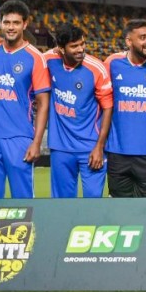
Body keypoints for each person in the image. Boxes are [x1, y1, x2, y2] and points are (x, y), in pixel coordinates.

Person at [0, 0, 51, 199]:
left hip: (19, 138)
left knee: (23, 199)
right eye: (7, 22)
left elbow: (43, 103)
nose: (11, 27)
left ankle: (23, 232)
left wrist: (37, 142)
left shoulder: (35, 57)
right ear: (0, 24)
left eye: (16, 23)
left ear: (25, 24)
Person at [103, 19, 146, 197]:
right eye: (142, 37)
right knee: (119, 209)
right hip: (117, 152)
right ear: (128, 41)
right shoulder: (112, 63)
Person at [45, 25, 113, 198]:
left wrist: (99, 146)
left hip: (90, 147)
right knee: (61, 204)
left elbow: (108, 107)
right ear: (61, 49)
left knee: (92, 200)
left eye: (82, 44)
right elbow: (26, 54)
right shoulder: (48, 60)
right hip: (60, 147)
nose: (81, 49)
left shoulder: (96, 68)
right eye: (74, 46)